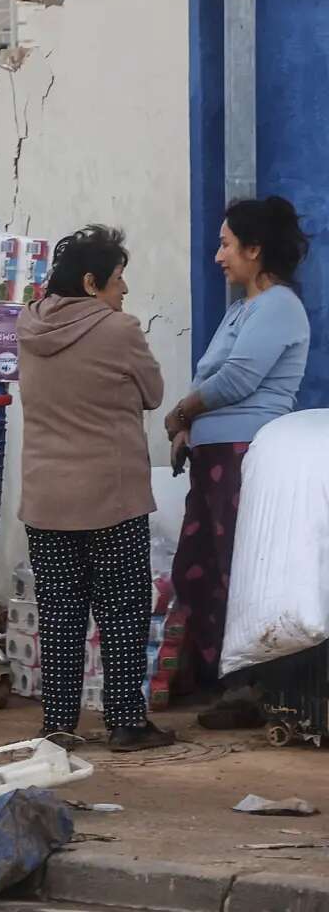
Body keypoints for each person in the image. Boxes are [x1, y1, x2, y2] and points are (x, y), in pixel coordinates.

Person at [18, 225, 175, 751]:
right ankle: (126, 721)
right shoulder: (119, 330)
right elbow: (153, 393)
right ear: (91, 282)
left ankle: (58, 726)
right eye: (117, 278)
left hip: (46, 498)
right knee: (122, 611)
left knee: (60, 613)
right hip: (111, 495)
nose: (124, 289)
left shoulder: (28, 326)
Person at [164, 197, 311, 728]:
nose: (219, 256)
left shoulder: (278, 307)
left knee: (232, 567)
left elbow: (236, 381)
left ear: (255, 249)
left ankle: (246, 685)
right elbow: (212, 380)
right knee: (197, 567)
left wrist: (180, 411)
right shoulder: (241, 309)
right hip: (214, 455)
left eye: (227, 244)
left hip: (244, 453)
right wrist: (185, 425)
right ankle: (212, 675)